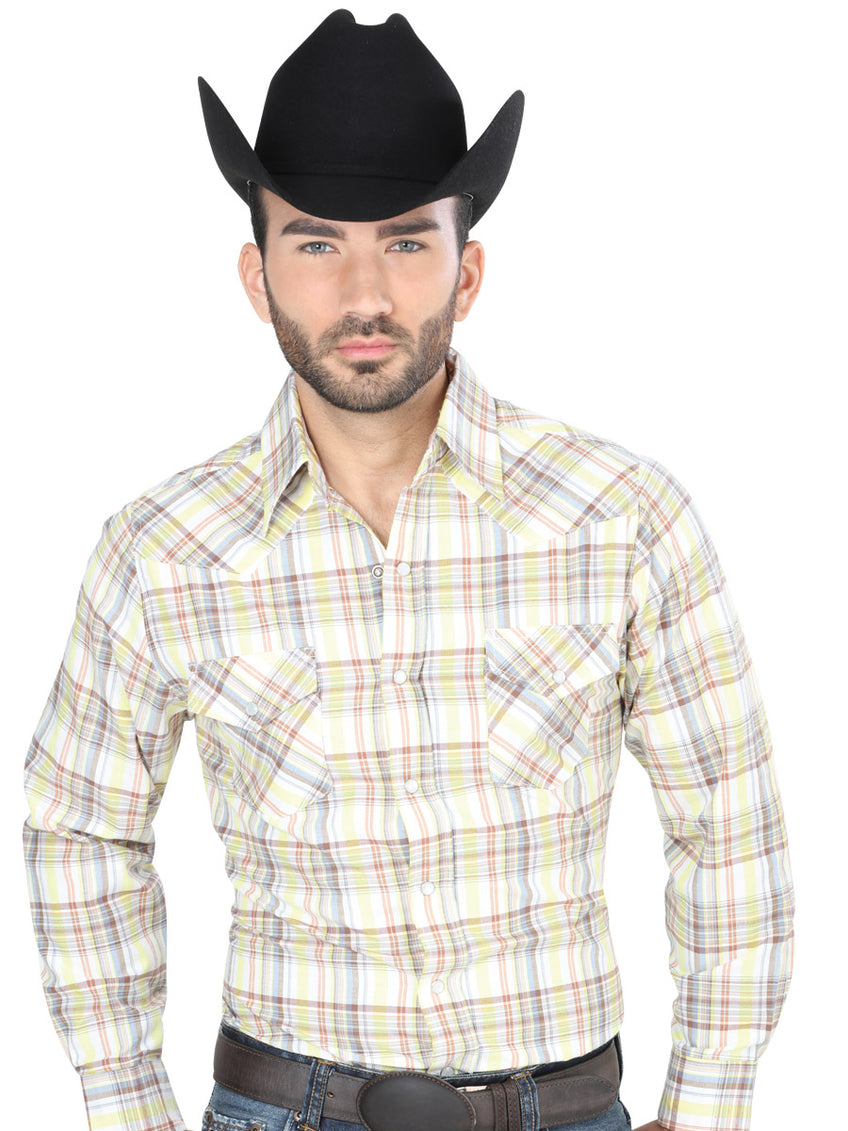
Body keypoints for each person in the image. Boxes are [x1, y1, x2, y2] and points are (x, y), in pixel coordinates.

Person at [22, 10, 794, 1131]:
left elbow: (727, 816)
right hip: (280, 1106)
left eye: (405, 243)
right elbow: (82, 827)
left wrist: (710, 1103)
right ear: (256, 276)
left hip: (560, 1109)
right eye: (315, 245)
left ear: (465, 271)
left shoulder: (621, 515)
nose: (364, 294)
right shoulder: (162, 547)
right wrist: (126, 1102)